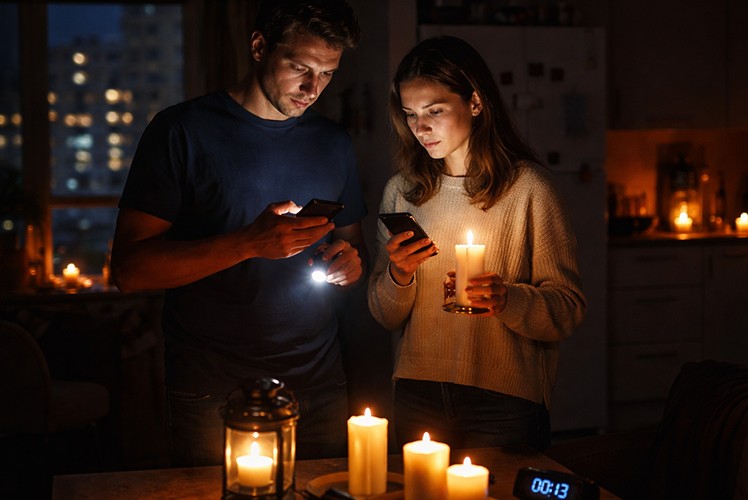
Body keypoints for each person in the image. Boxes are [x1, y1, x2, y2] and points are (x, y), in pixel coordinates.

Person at [111, 0, 366, 466]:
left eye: (328, 73)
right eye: (300, 68)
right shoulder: (181, 131)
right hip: (212, 390)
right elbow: (129, 270)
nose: (313, 88)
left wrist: (350, 263)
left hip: (319, 383)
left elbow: (353, 246)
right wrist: (248, 243)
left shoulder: (334, 143)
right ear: (258, 46)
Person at [367, 36, 586, 451]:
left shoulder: (528, 190)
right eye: (411, 114)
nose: (421, 128)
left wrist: (507, 300)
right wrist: (398, 276)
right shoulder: (403, 192)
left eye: (435, 110)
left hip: (503, 401)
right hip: (418, 392)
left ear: (475, 103)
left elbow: (568, 309)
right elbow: (384, 316)